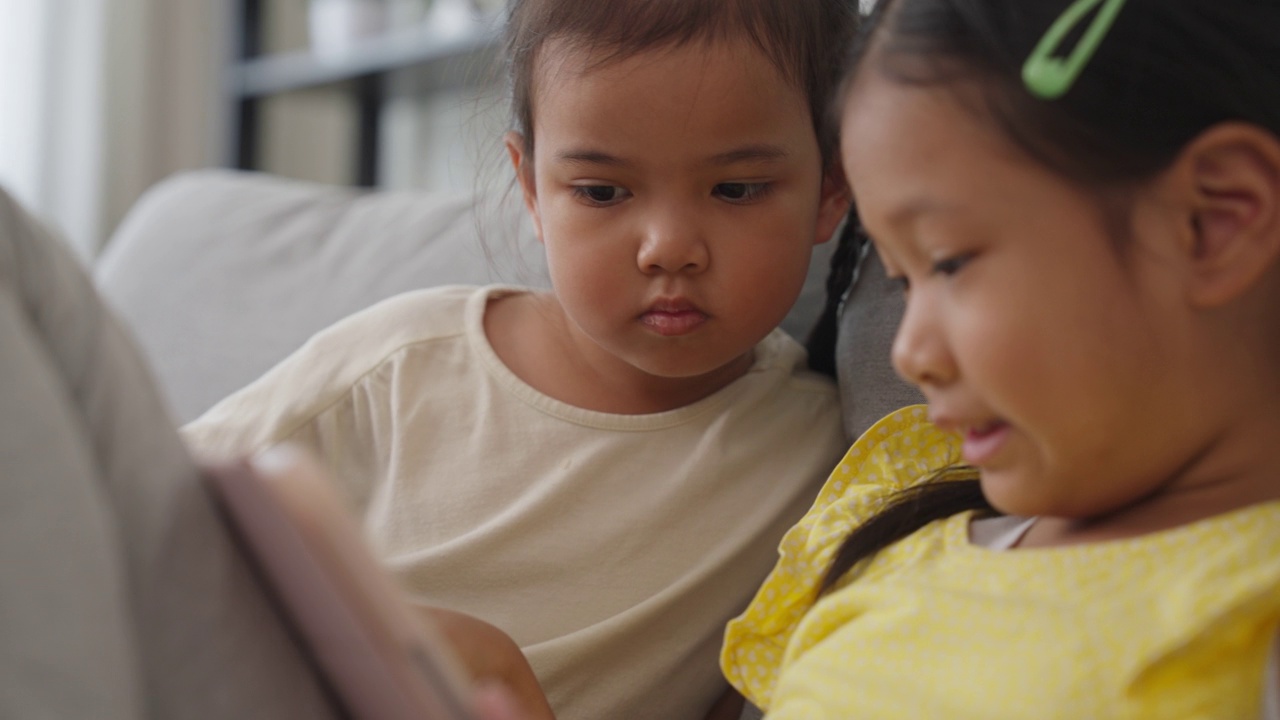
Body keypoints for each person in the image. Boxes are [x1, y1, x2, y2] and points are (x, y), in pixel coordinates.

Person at [182, 1, 859, 718]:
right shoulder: (399, 367)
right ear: (532, 190)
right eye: (601, 192)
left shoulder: (831, 461)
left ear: (831, 189)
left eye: (736, 189)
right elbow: (138, 520)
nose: (666, 246)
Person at [722, 0, 1280, 716]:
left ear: (1213, 222)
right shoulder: (892, 513)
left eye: (949, 263)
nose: (908, 352)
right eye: (899, 279)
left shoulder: (1248, 614)